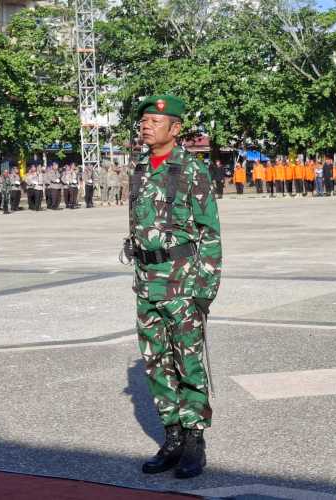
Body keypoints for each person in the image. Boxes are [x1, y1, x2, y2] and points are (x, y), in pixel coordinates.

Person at [129, 95, 221, 479]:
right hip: (147, 282)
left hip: (183, 282)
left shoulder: (191, 169)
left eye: (155, 120)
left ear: (175, 128)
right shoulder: (138, 168)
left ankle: (194, 441)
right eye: (144, 120)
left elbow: (210, 234)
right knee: (156, 362)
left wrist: (205, 288)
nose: (146, 125)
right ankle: (172, 437)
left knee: (188, 361)